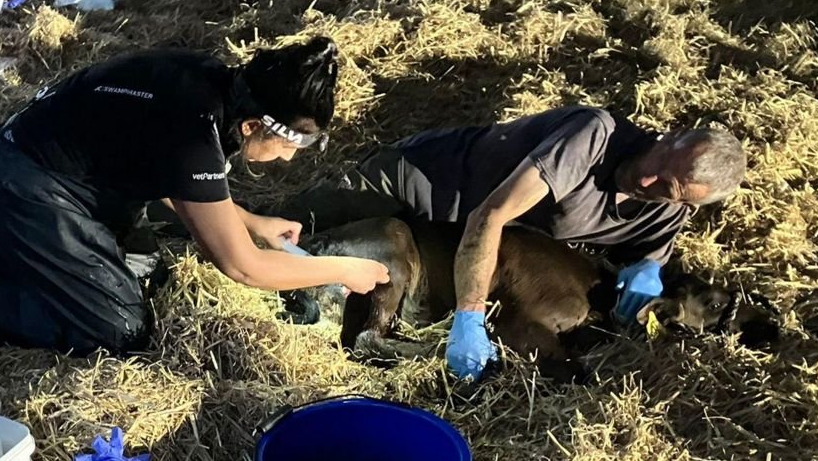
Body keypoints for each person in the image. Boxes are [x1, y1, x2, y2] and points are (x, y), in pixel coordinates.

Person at [0, 36, 390, 355]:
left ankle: (28, 260)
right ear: (253, 126)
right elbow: (243, 267)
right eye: (289, 146)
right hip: (28, 181)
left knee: (148, 272)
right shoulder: (193, 132)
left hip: (72, 173)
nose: (287, 159)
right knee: (116, 329)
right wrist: (343, 269)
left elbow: (178, 184)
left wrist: (253, 223)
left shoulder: (216, 86)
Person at [281, 106, 747, 380]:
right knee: (287, 229)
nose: (648, 180)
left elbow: (644, 276)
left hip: (441, 244)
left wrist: (646, 275)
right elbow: (491, 217)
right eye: (660, 161)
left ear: (687, 203)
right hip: (418, 186)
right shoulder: (593, 136)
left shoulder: (664, 213)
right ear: (669, 135)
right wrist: (469, 317)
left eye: (667, 188)